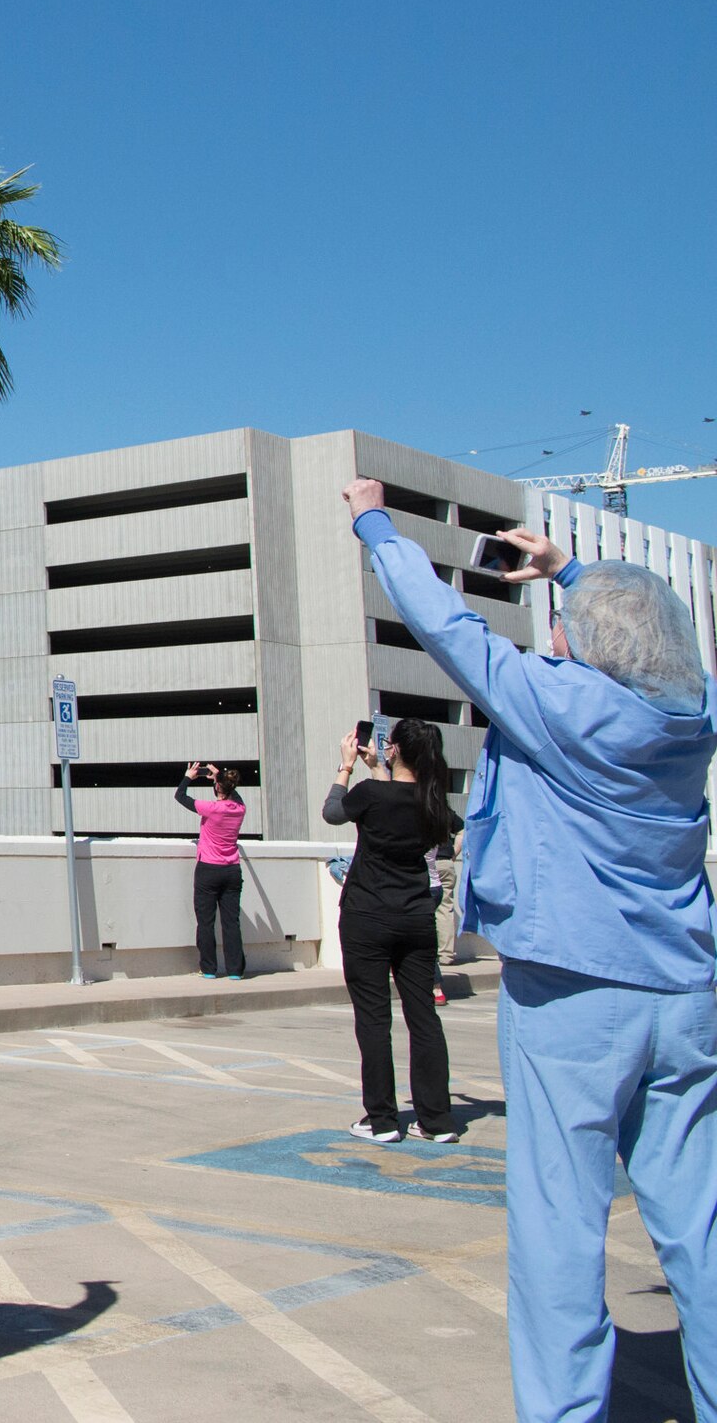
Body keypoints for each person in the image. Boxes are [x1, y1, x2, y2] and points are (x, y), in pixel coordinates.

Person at [343, 477, 717, 1423]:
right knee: (699, 1225)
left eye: (567, 624)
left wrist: (373, 521)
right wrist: (572, 568)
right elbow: (641, 643)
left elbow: (445, 628)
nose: (555, 635)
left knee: (560, 1225)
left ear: (587, 648)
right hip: (687, 989)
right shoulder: (691, 718)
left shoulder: (560, 704)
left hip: (574, 995)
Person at [321, 716, 461, 1145]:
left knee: (374, 1019)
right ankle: (436, 1121)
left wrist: (347, 767)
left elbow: (333, 813)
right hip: (416, 917)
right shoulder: (433, 802)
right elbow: (441, 823)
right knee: (423, 1018)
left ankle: (382, 1119)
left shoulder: (370, 793)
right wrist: (378, 771)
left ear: (393, 749)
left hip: (367, 916)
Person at [176, 762, 247, 979]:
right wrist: (218, 777)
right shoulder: (239, 809)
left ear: (217, 788)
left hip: (208, 868)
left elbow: (180, 796)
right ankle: (235, 971)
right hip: (232, 870)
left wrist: (188, 776)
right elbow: (234, 796)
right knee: (231, 922)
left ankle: (208, 968)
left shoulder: (211, 808)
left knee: (206, 922)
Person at [431, 826, 462, 1004]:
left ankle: (436, 987)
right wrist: (454, 851)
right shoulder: (444, 810)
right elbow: (463, 829)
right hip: (445, 863)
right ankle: (446, 954)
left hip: (427, 870)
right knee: (445, 910)